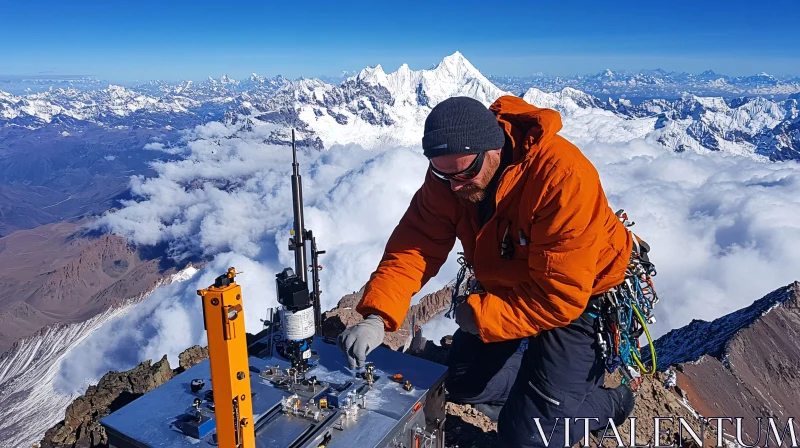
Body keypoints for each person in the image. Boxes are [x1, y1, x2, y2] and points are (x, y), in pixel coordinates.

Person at [337, 95, 636, 447]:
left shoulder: (562, 178)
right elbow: (415, 245)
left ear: (493, 150)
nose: (455, 186)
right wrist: (376, 315)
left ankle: (612, 401)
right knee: (461, 382)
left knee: (527, 437)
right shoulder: (451, 175)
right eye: (442, 174)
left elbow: (559, 296)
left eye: (464, 173)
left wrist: (481, 318)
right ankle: (537, 389)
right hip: (509, 284)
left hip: (580, 299)